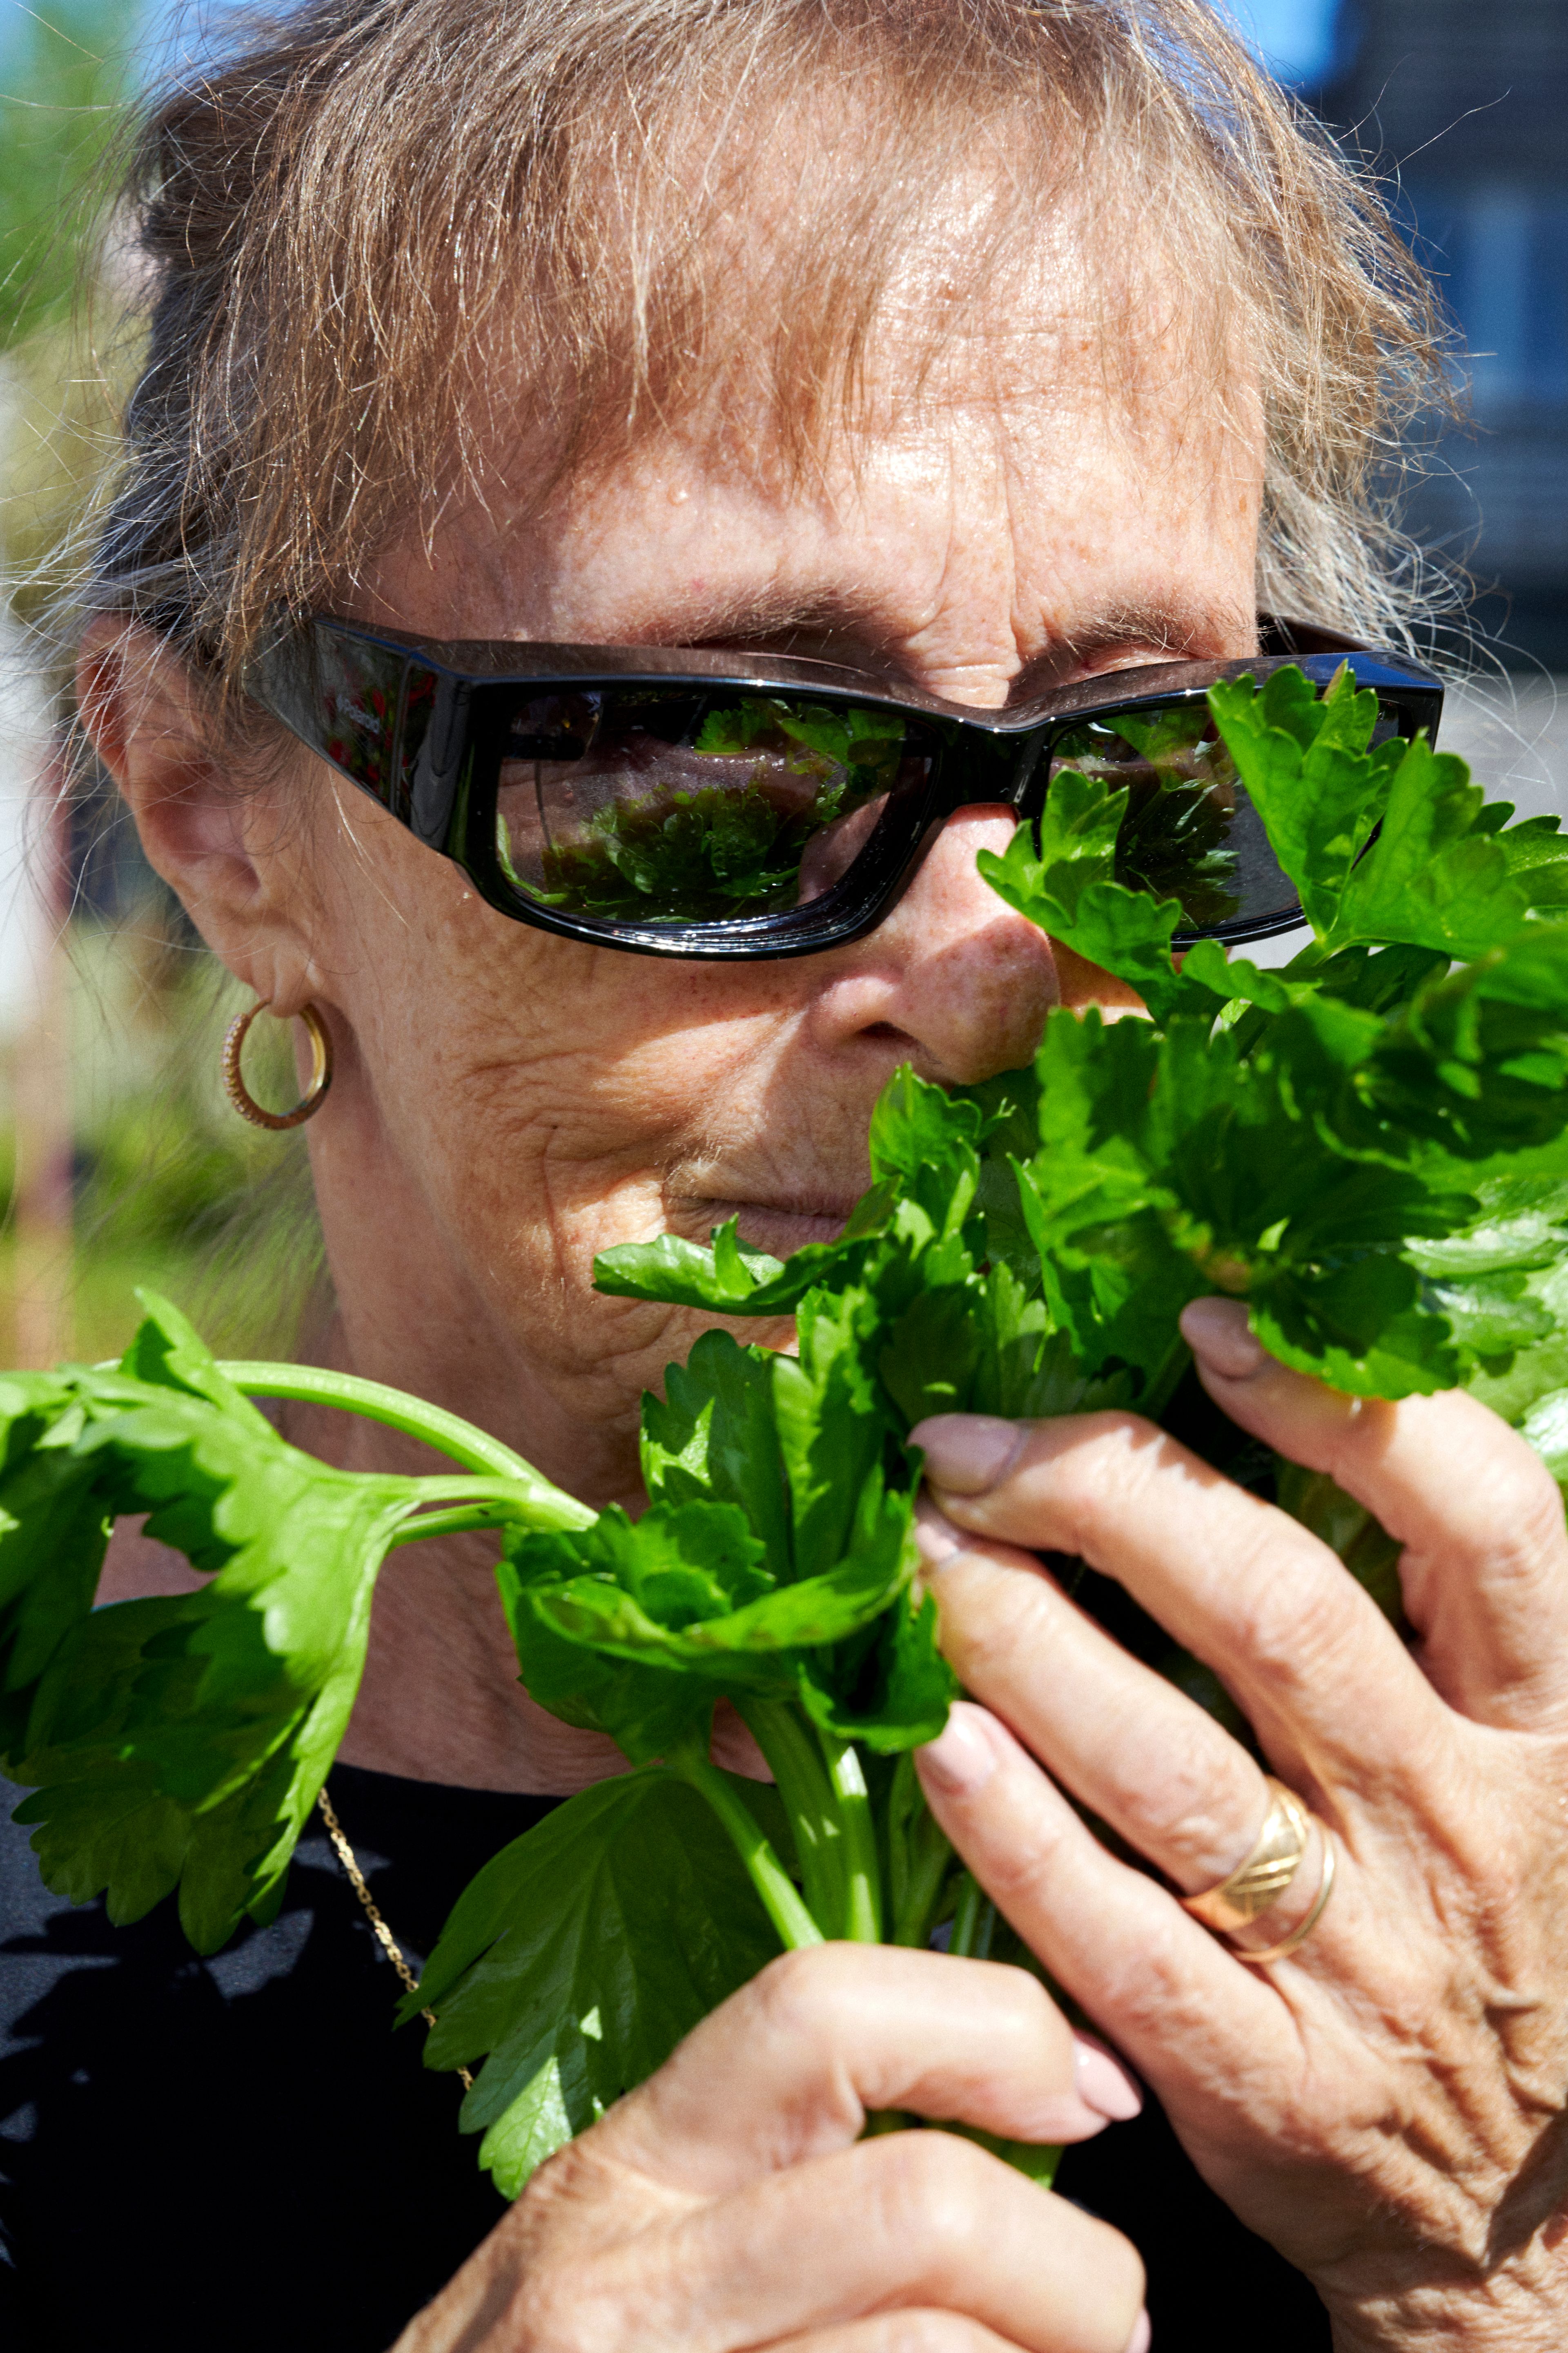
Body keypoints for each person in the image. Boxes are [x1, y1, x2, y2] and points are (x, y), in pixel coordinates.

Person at [2, 1, 1566, 2347]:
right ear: (215, 801)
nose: (988, 970)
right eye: (709, 756)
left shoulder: (1472, 1864)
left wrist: (1483, 2273)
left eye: (1151, 761)